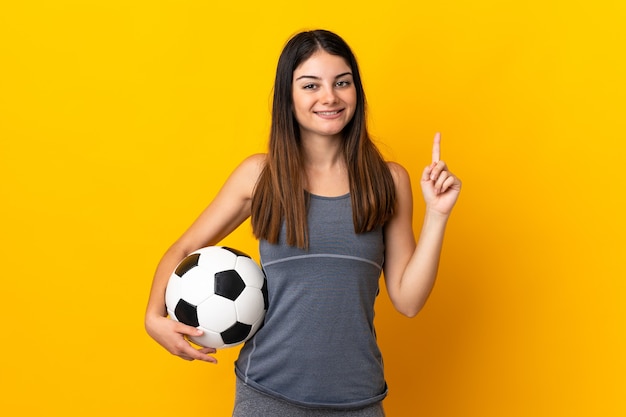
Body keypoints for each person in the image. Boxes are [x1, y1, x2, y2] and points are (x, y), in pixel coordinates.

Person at [145, 29, 461, 416]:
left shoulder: (388, 181)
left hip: (358, 399)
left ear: (356, 92)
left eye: (342, 83)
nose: (329, 96)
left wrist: (438, 214)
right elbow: (181, 250)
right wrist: (152, 318)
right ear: (288, 97)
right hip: (267, 395)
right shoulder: (260, 175)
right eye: (311, 85)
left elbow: (408, 300)